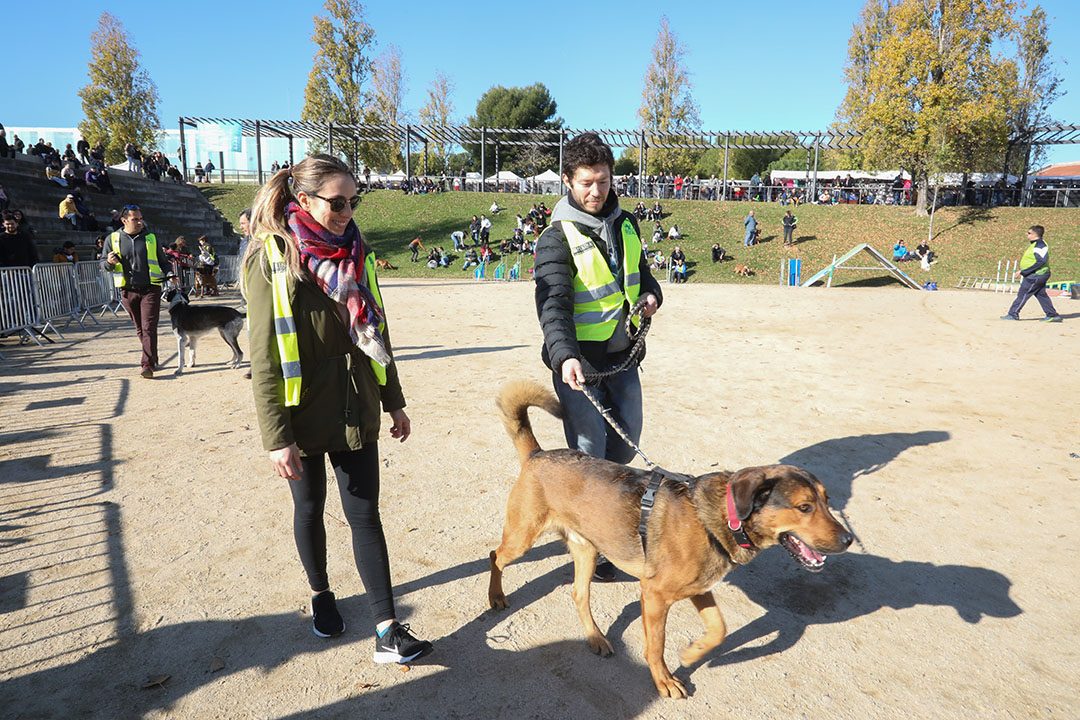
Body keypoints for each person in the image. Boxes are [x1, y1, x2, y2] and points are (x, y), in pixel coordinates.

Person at [242, 154, 433, 663]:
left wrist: (394, 401)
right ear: (302, 199)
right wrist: (275, 436)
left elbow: (377, 330)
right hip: (301, 412)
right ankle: (321, 594)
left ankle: (388, 630)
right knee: (309, 509)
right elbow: (263, 355)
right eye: (337, 201)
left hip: (355, 403)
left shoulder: (358, 249)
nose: (348, 210)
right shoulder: (273, 257)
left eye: (353, 200)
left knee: (365, 514)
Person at [534, 132, 662, 583]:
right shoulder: (555, 238)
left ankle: (597, 520)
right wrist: (564, 355)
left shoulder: (626, 224)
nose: (596, 191)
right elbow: (553, 306)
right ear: (568, 181)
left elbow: (642, 273)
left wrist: (651, 294)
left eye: (603, 180)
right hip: (578, 369)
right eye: (586, 182)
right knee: (590, 460)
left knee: (624, 449)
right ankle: (593, 543)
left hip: (623, 360)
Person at [102, 205, 171, 378]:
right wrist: (109, 262)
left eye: (141, 218)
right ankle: (152, 357)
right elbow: (103, 264)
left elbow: (164, 262)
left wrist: (169, 272)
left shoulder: (150, 237)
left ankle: (147, 365)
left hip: (151, 289)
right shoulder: (113, 238)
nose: (140, 222)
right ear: (124, 221)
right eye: (135, 219)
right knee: (140, 328)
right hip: (127, 291)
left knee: (148, 327)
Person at [1001, 225, 1061, 322]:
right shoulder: (1036, 244)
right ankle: (1052, 315)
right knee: (1041, 295)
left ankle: (1013, 314)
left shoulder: (1040, 245)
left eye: (1029, 233)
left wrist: (1024, 271)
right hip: (1037, 275)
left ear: (1035, 234)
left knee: (1023, 294)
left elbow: (1041, 261)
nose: (1027, 235)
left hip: (1036, 275)